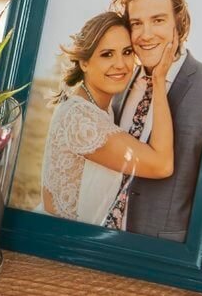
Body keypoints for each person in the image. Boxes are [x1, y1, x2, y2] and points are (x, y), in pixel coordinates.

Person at [109, 0, 202, 241]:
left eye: (157, 20)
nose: (146, 34)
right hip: (107, 240)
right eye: (136, 23)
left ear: (178, 23)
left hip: (166, 253)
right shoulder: (120, 83)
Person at [40, 11, 175, 225]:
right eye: (107, 54)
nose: (120, 64)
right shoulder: (80, 119)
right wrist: (159, 79)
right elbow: (162, 165)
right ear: (84, 62)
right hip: (57, 246)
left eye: (127, 52)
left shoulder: (99, 108)